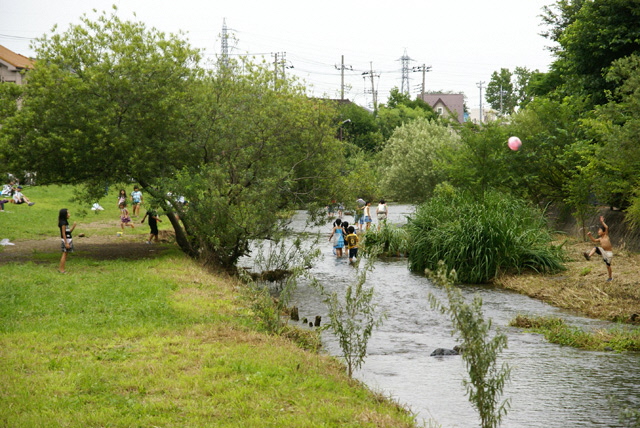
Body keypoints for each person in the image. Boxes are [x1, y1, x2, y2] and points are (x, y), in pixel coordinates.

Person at [583, 216, 613, 281]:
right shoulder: (600, 239)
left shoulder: (606, 236)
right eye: (598, 230)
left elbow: (606, 227)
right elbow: (594, 240)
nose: (598, 231)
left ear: (604, 232)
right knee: (595, 248)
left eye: (600, 230)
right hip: (604, 252)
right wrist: (590, 236)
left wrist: (602, 222)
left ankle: (610, 277)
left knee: (608, 266)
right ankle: (589, 256)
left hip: (609, 253)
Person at [58, 208, 76, 273]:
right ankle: (61, 269)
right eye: (68, 213)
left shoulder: (65, 222)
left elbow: (68, 232)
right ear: (64, 214)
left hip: (68, 239)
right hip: (66, 240)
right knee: (64, 254)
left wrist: (73, 227)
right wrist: (66, 243)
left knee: (65, 255)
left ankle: (62, 269)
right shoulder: (63, 223)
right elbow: (63, 233)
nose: (69, 214)